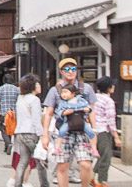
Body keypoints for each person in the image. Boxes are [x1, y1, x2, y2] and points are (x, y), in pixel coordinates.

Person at [42, 58, 97, 187]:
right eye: (66, 69)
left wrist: (95, 130)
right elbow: (49, 113)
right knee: (63, 166)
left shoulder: (86, 88)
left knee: (86, 164)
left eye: (73, 69)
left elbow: (92, 111)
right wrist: (45, 135)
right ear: (61, 72)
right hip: (63, 132)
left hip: (82, 130)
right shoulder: (55, 90)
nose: (70, 72)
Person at [12, 74, 49, 187]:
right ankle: (44, 184)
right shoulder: (34, 100)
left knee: (23, 161)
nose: (39, 85)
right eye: (37, 83)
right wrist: (42, 135)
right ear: (33, 85)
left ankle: (17, 184)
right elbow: (36, 120)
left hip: (20, 132)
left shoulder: (20, 98)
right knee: (40, 160)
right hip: (31, 133)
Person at [92, 76, 121, 187]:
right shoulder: (109, 101)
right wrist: (116, 136)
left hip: (93, 130)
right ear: (109, 88)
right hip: (103, 131)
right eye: (112, 85)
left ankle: (92, 177)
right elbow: (110, 120)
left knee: (101, 155)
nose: (113, 87)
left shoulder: (94, 97)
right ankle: (102, 181)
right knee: (106, 156)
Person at [54, 84, 98, 156]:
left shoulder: (81, 100)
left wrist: (87, 109)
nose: (63, 94)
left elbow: (89, 108)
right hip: (69, 121)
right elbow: (59, 112)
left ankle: (94, 148)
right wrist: (64, 113)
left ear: (73, 93)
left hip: (81, 121)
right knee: (61, 131)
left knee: (91, 132)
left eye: (65, 92)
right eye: (62, 92)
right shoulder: (63, 103)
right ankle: (57, 148)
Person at [0, 73, 20, 155]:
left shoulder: (1, 88)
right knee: (11, 128)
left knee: (3, 130)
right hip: (14, 113)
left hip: (4, 113)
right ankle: (7, 147)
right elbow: (19, 101)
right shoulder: (17, 89)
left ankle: (8, 143)